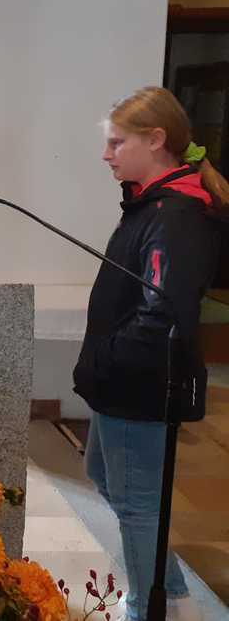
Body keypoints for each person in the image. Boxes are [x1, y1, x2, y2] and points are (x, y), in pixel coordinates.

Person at [74, 87, 229, 621]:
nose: (106, 154)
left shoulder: (176, 216)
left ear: (156, 139)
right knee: (104, 474)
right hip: (121, 378)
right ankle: (175, 594)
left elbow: (161, 312)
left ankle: (149, 608)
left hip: (140, 382)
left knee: (137, 503)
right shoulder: (152, 203)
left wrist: (106, 359)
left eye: (117, 142)